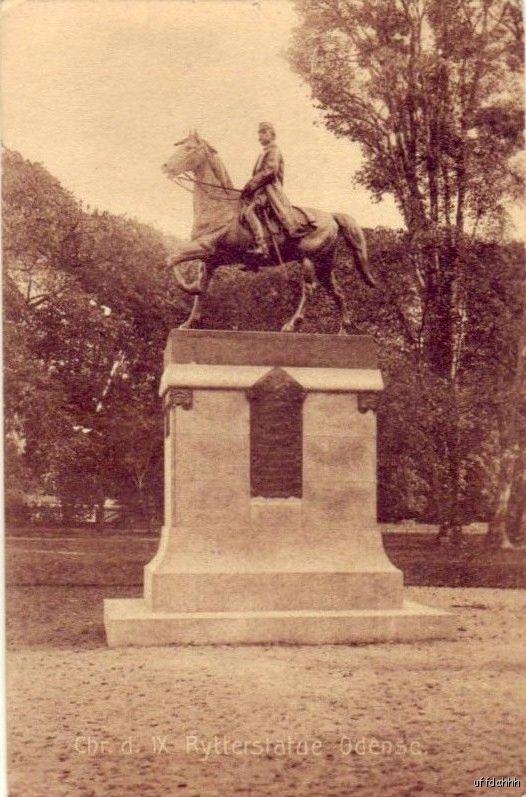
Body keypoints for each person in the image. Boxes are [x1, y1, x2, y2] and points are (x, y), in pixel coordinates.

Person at [240, 122, 312, 257]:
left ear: (271, 134)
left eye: (263, 133)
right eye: (259, 134)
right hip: (261, 191)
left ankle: (262, 246)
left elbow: (269, 171)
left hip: (270, 191)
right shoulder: (264, 152)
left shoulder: (274, 150)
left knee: (249, 212)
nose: (260, 137)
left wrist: (250, 185)